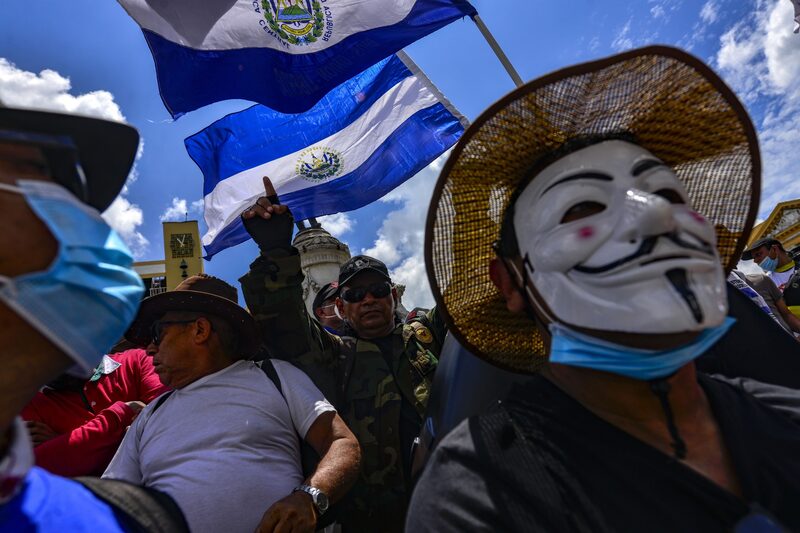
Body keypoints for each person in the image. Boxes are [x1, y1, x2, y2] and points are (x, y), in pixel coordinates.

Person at [408, 46, 800, 531]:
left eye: (667, 194)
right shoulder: (480, 498)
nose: (656, 215)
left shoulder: (782, 412)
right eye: (583, 208)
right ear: (510, 281)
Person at [0, 100, 185, 531]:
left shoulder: (129, 519)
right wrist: (122, 414)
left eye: (77, 196)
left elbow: (170, 415)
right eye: (37, 173)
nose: (87, 221)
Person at [239, 178, 445, 532]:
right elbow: (284, 323)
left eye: (378, 290)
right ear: (341, 306)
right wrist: (274, 250)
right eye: (355, 295)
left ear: (394, 295)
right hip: (372, 519)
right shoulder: (335, 355)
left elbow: (468, 295)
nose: (368, 300)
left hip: (447, 500)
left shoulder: (426, 333)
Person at [103, 273, 361, 533]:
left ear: (200, 330)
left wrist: (310, 497)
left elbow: (341, 442)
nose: (149, 349)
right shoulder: (150, 413)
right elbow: (110, 501)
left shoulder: (275, 376)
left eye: (158, 334)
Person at [21, 348, 169, 476]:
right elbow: (35, 468)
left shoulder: (136, 361)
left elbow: (167, 421)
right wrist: (121, 414)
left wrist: (65, 445)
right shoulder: (30, 403)